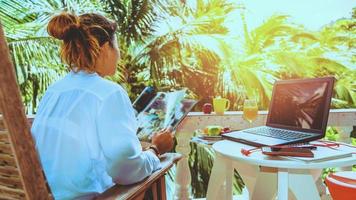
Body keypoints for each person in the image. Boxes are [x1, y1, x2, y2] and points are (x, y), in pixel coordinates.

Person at [31, 12, 174, 200]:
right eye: (117, 46)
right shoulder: (108, 93)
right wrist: (155, 149)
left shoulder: (53, 93)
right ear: (106, 47)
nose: (118, 53)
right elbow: (125, 170)